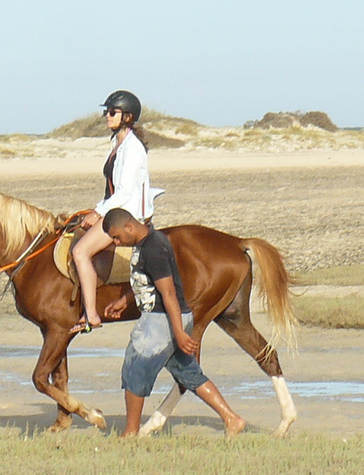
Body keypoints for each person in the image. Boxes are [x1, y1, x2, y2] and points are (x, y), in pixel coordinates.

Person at [101, 208, 246, 438]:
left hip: (161, 320)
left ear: (129, 227)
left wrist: (178, 332)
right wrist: (124, 299)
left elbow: (168, 292)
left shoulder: (153, 248)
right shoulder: (146, 243)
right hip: (171, 319)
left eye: (117, 237)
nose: (117, 243)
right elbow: (147, 279)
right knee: (188, 373)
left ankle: (130, 432)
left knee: (134, 370)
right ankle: (232, 419)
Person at [70, 90, 157, 334]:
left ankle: (91, 314)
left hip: (126, 215)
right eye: (106, 112)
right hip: (116, 208)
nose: (107, 116)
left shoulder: (132, 149)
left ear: (127, 117)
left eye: (112, 112)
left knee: (80, 252)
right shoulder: (117, 143)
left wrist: (98, 213)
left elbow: (124, 191)